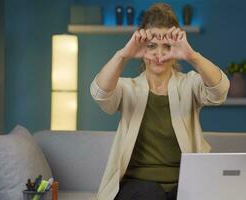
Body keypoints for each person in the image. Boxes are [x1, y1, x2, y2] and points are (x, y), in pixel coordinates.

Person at [90, 3, 229, 200]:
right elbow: (100, 93)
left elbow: (220, 91)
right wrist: (124, 55)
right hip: (136, 186)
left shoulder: (189, 84)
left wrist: (192, 56)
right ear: (142, 49)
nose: (159, 55)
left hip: (184, 182)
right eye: (152, 46)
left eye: (167, 47)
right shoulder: (127, 88)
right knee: (151, 194)